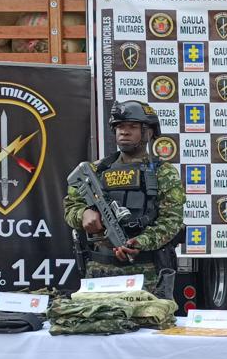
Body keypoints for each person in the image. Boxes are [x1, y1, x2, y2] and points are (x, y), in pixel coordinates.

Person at [63, 100, 184, 294]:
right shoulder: (95, 170)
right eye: (119, 126)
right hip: (99, 271)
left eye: (132, 127)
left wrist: (140, 242)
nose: (124, 132)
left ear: (149, 132)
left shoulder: (163, 173)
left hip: (147, 274)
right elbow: (71, 207)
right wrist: (83, 214)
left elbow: (172, 221)